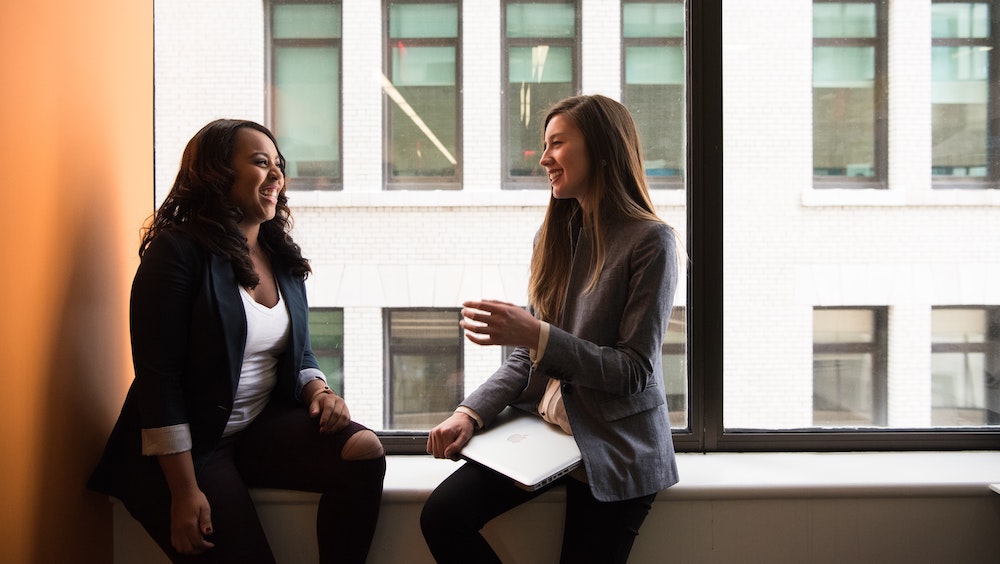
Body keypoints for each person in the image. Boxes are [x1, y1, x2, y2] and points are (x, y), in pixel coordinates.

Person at [88, 119, 386, 564]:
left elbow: (297, 350)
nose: (276, 175)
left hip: (252, 429)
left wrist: (319, 390)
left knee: (364, 452)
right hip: (186, 451)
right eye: (260, 162)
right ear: (216, 173)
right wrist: (184, 492)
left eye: (279, 165)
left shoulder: (279, 254)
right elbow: (158, 379)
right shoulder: (176, 252)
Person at [421, 94, 680, 564]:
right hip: (548, 433)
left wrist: (535, 335)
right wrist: (469, 413)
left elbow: (633, 372)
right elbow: (528, 356)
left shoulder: (651, 241)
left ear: (602, 149)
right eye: (545, 145)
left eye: (557, 144)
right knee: (442, 515)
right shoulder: (554, 236)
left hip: (614, 445)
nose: (543, 158)